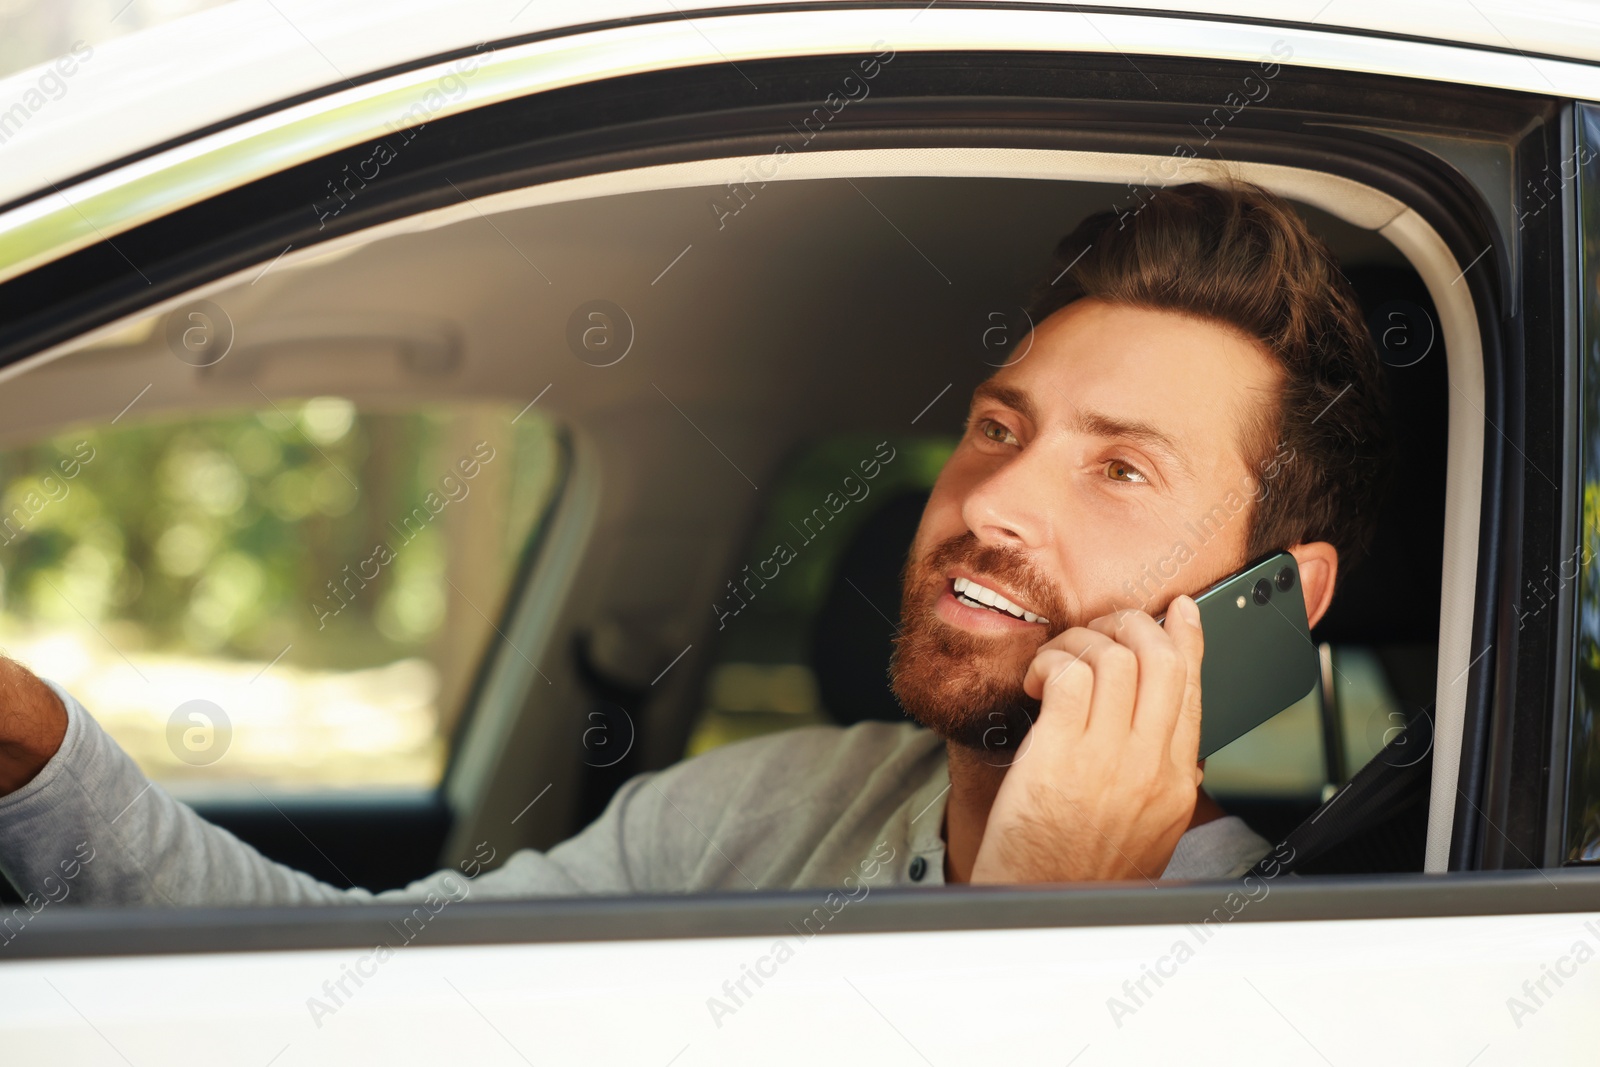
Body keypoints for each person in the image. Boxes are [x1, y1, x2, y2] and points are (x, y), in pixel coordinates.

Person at [0, 179, 1389, 905]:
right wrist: (36, 748)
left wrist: (1040, 919)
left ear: (1275, 596)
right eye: (997, 427)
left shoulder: (1312, 977)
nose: (996, 502)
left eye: (1123, 469)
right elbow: (353, 988)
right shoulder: (765, 807)